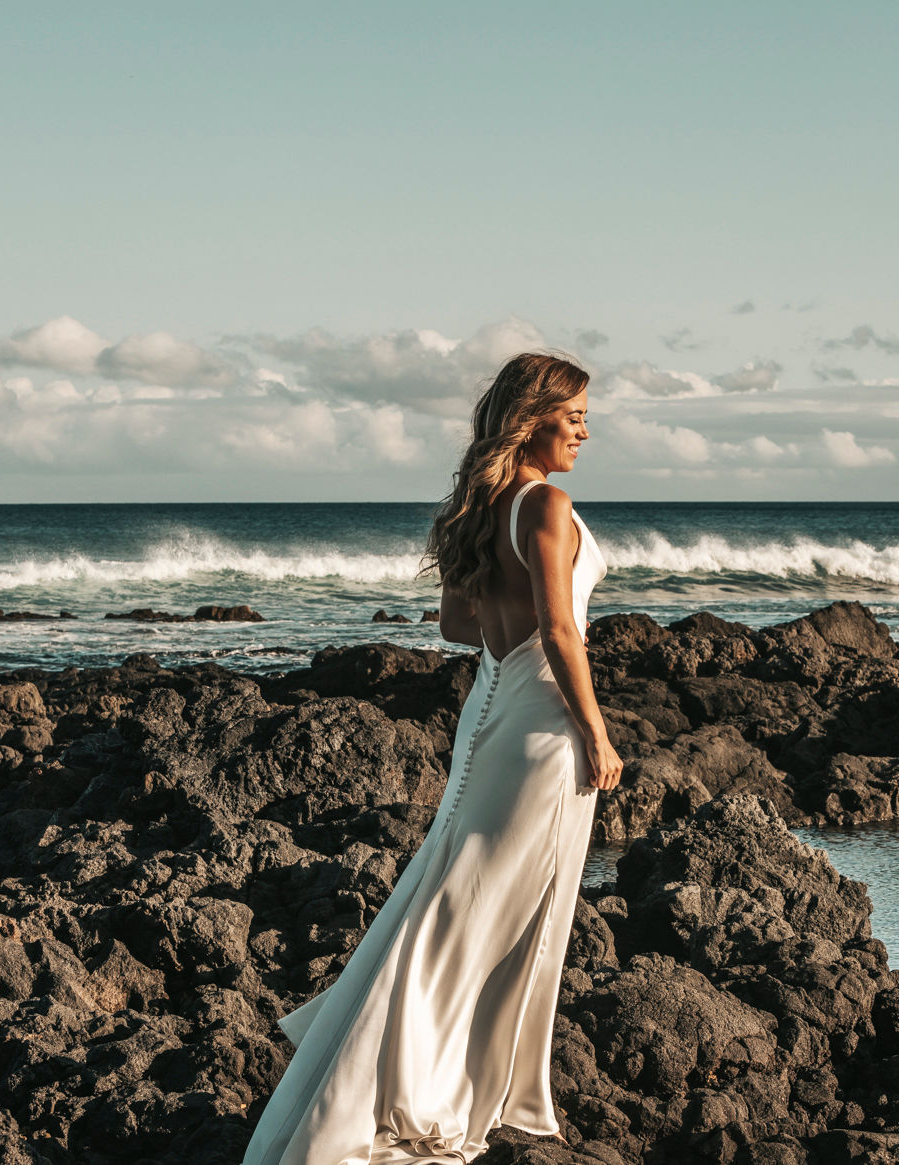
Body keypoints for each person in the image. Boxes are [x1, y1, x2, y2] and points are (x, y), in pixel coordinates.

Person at [241, 351, 623, 1164]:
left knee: (448, 902)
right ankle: (426, 1092)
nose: (587, 432)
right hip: (543, 729)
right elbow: (560, 631)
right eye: (576, 417)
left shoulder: (478, 509)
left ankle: (394, 1079)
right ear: (534, 418)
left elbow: (458, 626)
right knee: (483, 912)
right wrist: (596, 729)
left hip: (490, 714)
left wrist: (508, 625)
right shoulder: (547, 506)